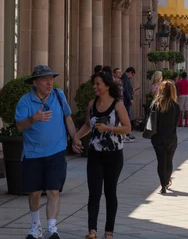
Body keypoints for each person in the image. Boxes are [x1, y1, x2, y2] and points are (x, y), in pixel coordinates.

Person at [15, 65, 76, 239]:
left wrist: (75, 137)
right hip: (33, 153)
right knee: (34, 192)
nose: (49, 82)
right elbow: (20, 126)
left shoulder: (58, 95)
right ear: (35, 83)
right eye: (44, 79)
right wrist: (34, 118)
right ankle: (35, 226)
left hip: (56, 151)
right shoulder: (25, 101)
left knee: (53, 190)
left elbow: (67, 117)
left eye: (51, 78)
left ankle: (52, 228)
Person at [72, 70, 131, 239]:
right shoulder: (92, 104)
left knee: (110, 192)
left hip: (114, 155)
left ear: (106, 85)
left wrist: (108, 128)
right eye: (94, 84)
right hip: (95, 154)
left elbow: (127, 128)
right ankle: (92, 230)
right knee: (94, 192)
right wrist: (76, 137)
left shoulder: (117, 105)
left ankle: (109, 231)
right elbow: (87, 125)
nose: (95, 87)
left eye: (98, 84)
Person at [150, 80, 181, 194]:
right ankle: (167, 181)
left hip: (158, 137)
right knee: (169, 160)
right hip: (171, 137)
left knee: (161, 161)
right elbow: (176, 123)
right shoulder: (175, 106)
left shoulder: (155, 104)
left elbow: (152, 121)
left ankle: (162, 184)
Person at [121, 67, 136, 143]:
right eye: (132, 74)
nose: (132, 76)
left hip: (127, 100)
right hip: (126, 101)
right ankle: (126, 133)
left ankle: (127, 133)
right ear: (130, 72)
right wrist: (130, 99)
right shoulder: (125, 78)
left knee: (127, 116)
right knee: (127, 117)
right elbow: (125, 89)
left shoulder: (126, 78)